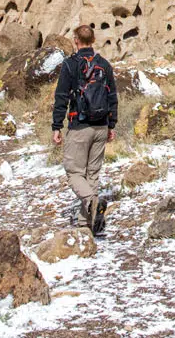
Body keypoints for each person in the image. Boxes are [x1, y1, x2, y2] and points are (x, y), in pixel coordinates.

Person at [51, 24, 118, 231]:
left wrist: (56, 126)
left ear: (76, 41)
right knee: (92, 175)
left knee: (74, 172)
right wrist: (111, 124)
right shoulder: (104, 65)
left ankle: (91, 201)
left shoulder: (70, 65)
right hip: (100, 126)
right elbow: (112, 96)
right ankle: (85, 224)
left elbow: (61, 97)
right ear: (94, 40)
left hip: (79, 126)